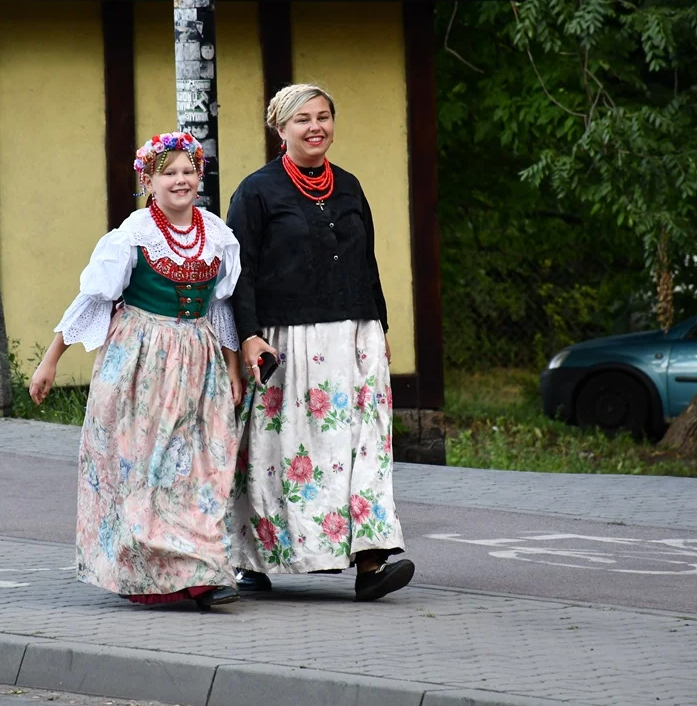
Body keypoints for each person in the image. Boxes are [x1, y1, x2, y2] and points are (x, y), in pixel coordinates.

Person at [30, 132, 244, 610]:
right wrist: (50, 360)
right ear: (148, 181)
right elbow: (93, 300)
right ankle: (150, 573)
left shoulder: (217, 235)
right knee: (146, 470)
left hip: (199, 361)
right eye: (169, 173)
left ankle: (202, 569)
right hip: (141, 361)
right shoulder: (132, 235)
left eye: (188, 171)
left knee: (200, 467)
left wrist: (232, 367)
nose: (181, 180)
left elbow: (221, 307)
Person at [227, 83, 415, 602]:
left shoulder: (349, 186)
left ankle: (371, 561)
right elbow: (238, 275)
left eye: (323, 117)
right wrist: (248, 336)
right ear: (280, 128)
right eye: (303, 119)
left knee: (364, 444)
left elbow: (367, 261)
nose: (316, 127)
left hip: (355, 334)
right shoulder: (256, 192)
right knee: (282, 451)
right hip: (287, 340)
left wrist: (379, 327)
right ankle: (253, 560)